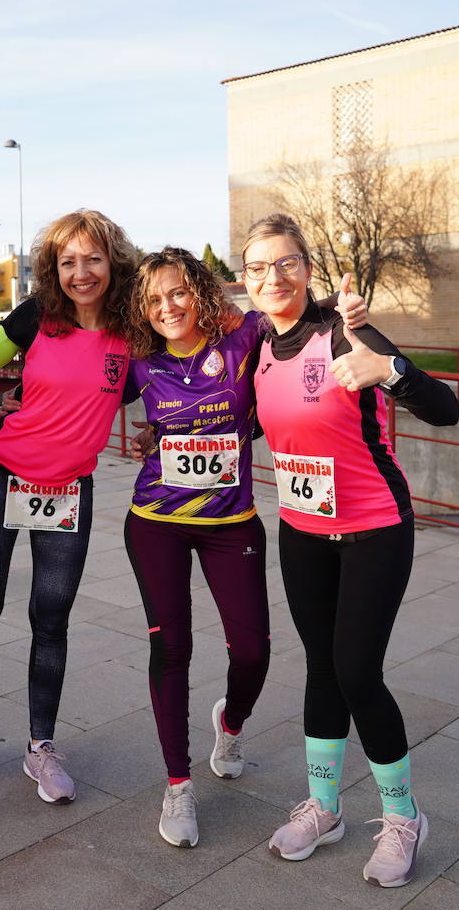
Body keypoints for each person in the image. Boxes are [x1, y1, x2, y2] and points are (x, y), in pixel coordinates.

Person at [121, 248, 366, 849]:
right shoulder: (137, 359)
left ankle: (229, 725)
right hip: (155, 520)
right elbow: (74, 393)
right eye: (154, 300)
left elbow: (295, 316)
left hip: (233, 523)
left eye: (177, 293)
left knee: (254, 649)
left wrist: (346, 308)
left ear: (199, 290)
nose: (167, 307)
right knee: (170, 647)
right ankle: (178, 784)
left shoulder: (245, 336)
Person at [244, 213, 458, 888]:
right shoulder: (252, 346)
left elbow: (444, 408)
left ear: (307, 268)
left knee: (359, 671)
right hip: (303, 531)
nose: (273, 277)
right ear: (244, 281)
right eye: (257, 267)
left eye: (286, 263)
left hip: (374, 528)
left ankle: (403, 818)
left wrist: (391, 368)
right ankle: (326, 808)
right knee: (321, 668)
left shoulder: (344, 330)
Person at [0, 209, 135, 804]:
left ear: (112, 261)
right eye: (68, 261)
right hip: (2, 475)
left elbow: (164, 385)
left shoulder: (132, 330)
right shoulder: (35, 317)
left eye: (92, 258)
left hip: (70, 487)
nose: (81, 272)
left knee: (52, 616)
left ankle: (40, 747)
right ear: (54, 268)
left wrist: (161, 432)